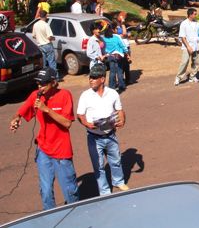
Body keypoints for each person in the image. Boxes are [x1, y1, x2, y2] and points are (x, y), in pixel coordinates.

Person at [9, 67, 79, 210]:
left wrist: (46, 109)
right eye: (38, 84)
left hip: (61, 152)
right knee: (45, 191)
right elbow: (20, 112)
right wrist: (15, 120)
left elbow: (67, 123)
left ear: (53, 82)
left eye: (43, 84)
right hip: (43, 151)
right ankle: (50, 219)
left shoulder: (65, 95)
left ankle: (75, 216)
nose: (40, 87)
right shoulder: (36, 95)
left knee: (70, 191)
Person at [77, 64, 129, 195]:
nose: (91, 80)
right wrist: (87, 124)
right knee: (98, 165)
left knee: (115, 160)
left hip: (110, 135)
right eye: (90, 77)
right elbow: (80, 115)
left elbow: (119, 109)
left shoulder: (113, 93)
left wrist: (122, 120)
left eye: (94, 77)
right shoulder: (85, 95)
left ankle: (118, 181)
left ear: (102, 79)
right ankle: (105, 191)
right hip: (94, 137)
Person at [174, 8, 199, 86]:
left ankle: (193, 76)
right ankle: (178, 78)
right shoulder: (184, 23)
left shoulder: (197, 23)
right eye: (195, 14)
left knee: (196, 62)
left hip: (196, 45)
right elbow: (182, 37)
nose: (196, 15)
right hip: (187, 46)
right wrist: (188, 47)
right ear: (190, 14)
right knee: (184, 62)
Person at [32, 10, 60, 81]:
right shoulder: (46, 25)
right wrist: (54, 38)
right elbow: (49, 37)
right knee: (52, 62)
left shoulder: (35, 24)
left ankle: (44, 77)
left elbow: (34, 36)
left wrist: (40, 38)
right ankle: (55, 78)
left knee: (43, 64)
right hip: (47, 45)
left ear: (39, 16)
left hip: (40, 46)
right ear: (46, 16)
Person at [103, 24, 128, 92]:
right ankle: (121, 86)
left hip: (110, 56)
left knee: (112, 72)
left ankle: (111, 86)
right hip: (118, 56)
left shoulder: (104, 38)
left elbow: (104, 48)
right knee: (119, 71)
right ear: (112, 30)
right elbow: (122, 45)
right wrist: (126, 52)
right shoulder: (116, 37)